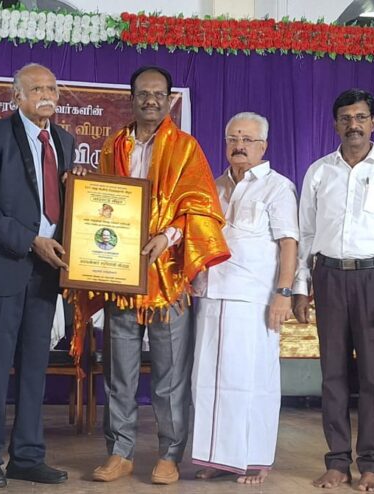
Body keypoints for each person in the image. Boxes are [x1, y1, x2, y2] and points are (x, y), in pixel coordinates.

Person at [75, 66, 230, 485]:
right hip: (121, 276)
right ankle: (120, 452)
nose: (150, 100)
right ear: (132, 98)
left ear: (169, 100)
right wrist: (86, 188)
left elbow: (200, 205)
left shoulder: (186, 148)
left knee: (170, 375)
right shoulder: (113, 145)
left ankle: (169, 454)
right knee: (119, 373)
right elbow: (102, 204)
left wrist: (169, 235)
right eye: (143, 93)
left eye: (158, 94)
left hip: (169, 277)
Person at [292, 88, 374, 492]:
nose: (354, 125)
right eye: (346, 118)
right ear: (335, 124)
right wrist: (301, 285)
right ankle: (336, 462)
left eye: (361, 117)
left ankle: (370, 464)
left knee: (373, 376)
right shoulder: (319, 172)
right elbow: (306, 233)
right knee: (332, 374)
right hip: (329, 276)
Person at [0, 62, 74, 489]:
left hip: (46, 273)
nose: (47, 95)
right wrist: (30, 241)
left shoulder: (64, 141)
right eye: (37, 88)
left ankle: (28, 456)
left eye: (52, 88)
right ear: (17, 97)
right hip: (0, 267)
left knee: (34, 369)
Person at [191, 112, 298, 485]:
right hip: (211, 296)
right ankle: (218, 457)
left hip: (255, 300)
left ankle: (255, 459)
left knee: (253, 380)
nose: (239, 146)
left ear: (263, 146)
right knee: (209, 381)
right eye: (233, 139)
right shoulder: (213, 185)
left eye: (247, 140)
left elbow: (289, 243)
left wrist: (283, 293)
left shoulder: (277, 187)